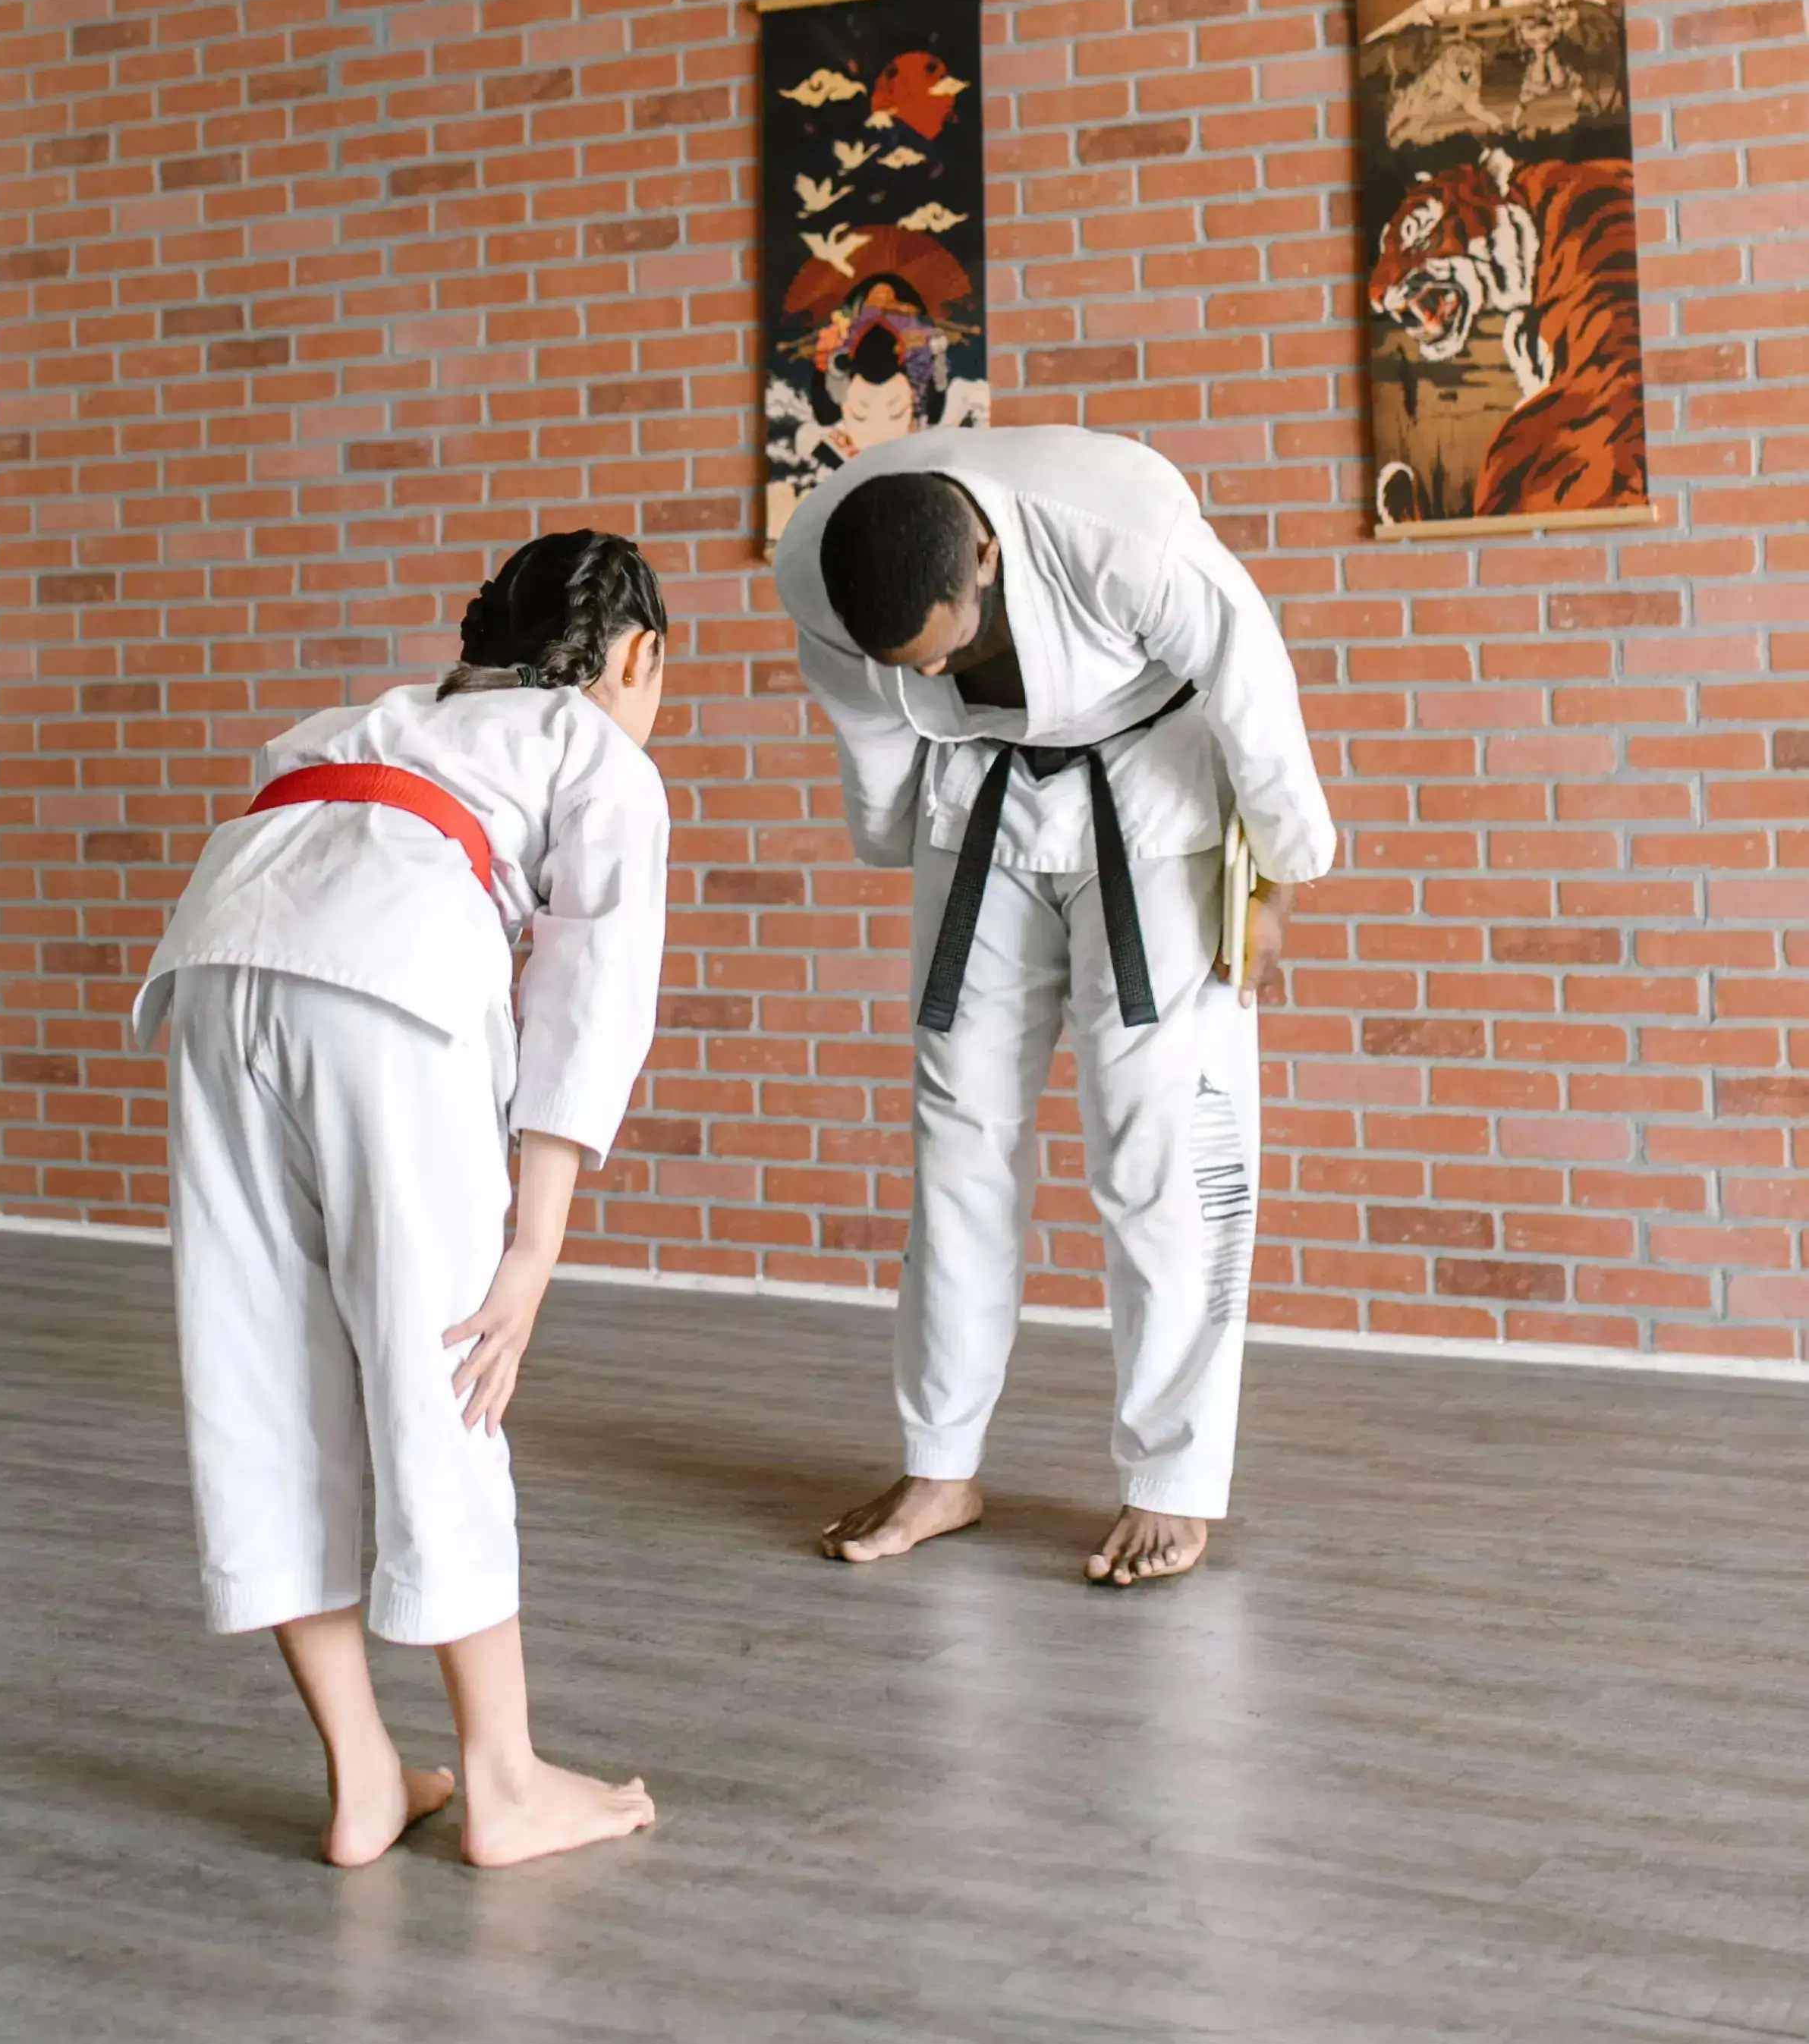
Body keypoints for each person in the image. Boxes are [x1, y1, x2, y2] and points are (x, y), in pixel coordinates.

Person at [131, 530, 671, 1866]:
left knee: (258, 1371)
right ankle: (500, 1782)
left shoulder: (355, 719)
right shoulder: (598, 749)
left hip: (215, 963)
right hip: (387, 987)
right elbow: (587, 1000)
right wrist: (528, 1256)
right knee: (446, 1366)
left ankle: (365, 1774)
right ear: (637, 655)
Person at [772, 430, 1336, 1590]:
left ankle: (1169, 1481)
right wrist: (892, 843)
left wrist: (1275, 878)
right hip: (974, 800)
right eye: (907, 663)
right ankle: (941, 1463)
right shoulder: (815, 571)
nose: (928, 673)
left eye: (945, 647)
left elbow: (1253, 687)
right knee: (955, 1133)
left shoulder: (1121, 534)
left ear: (981, 553)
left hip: (1153, 792)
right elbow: (875, 727)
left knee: (1157, 1141)